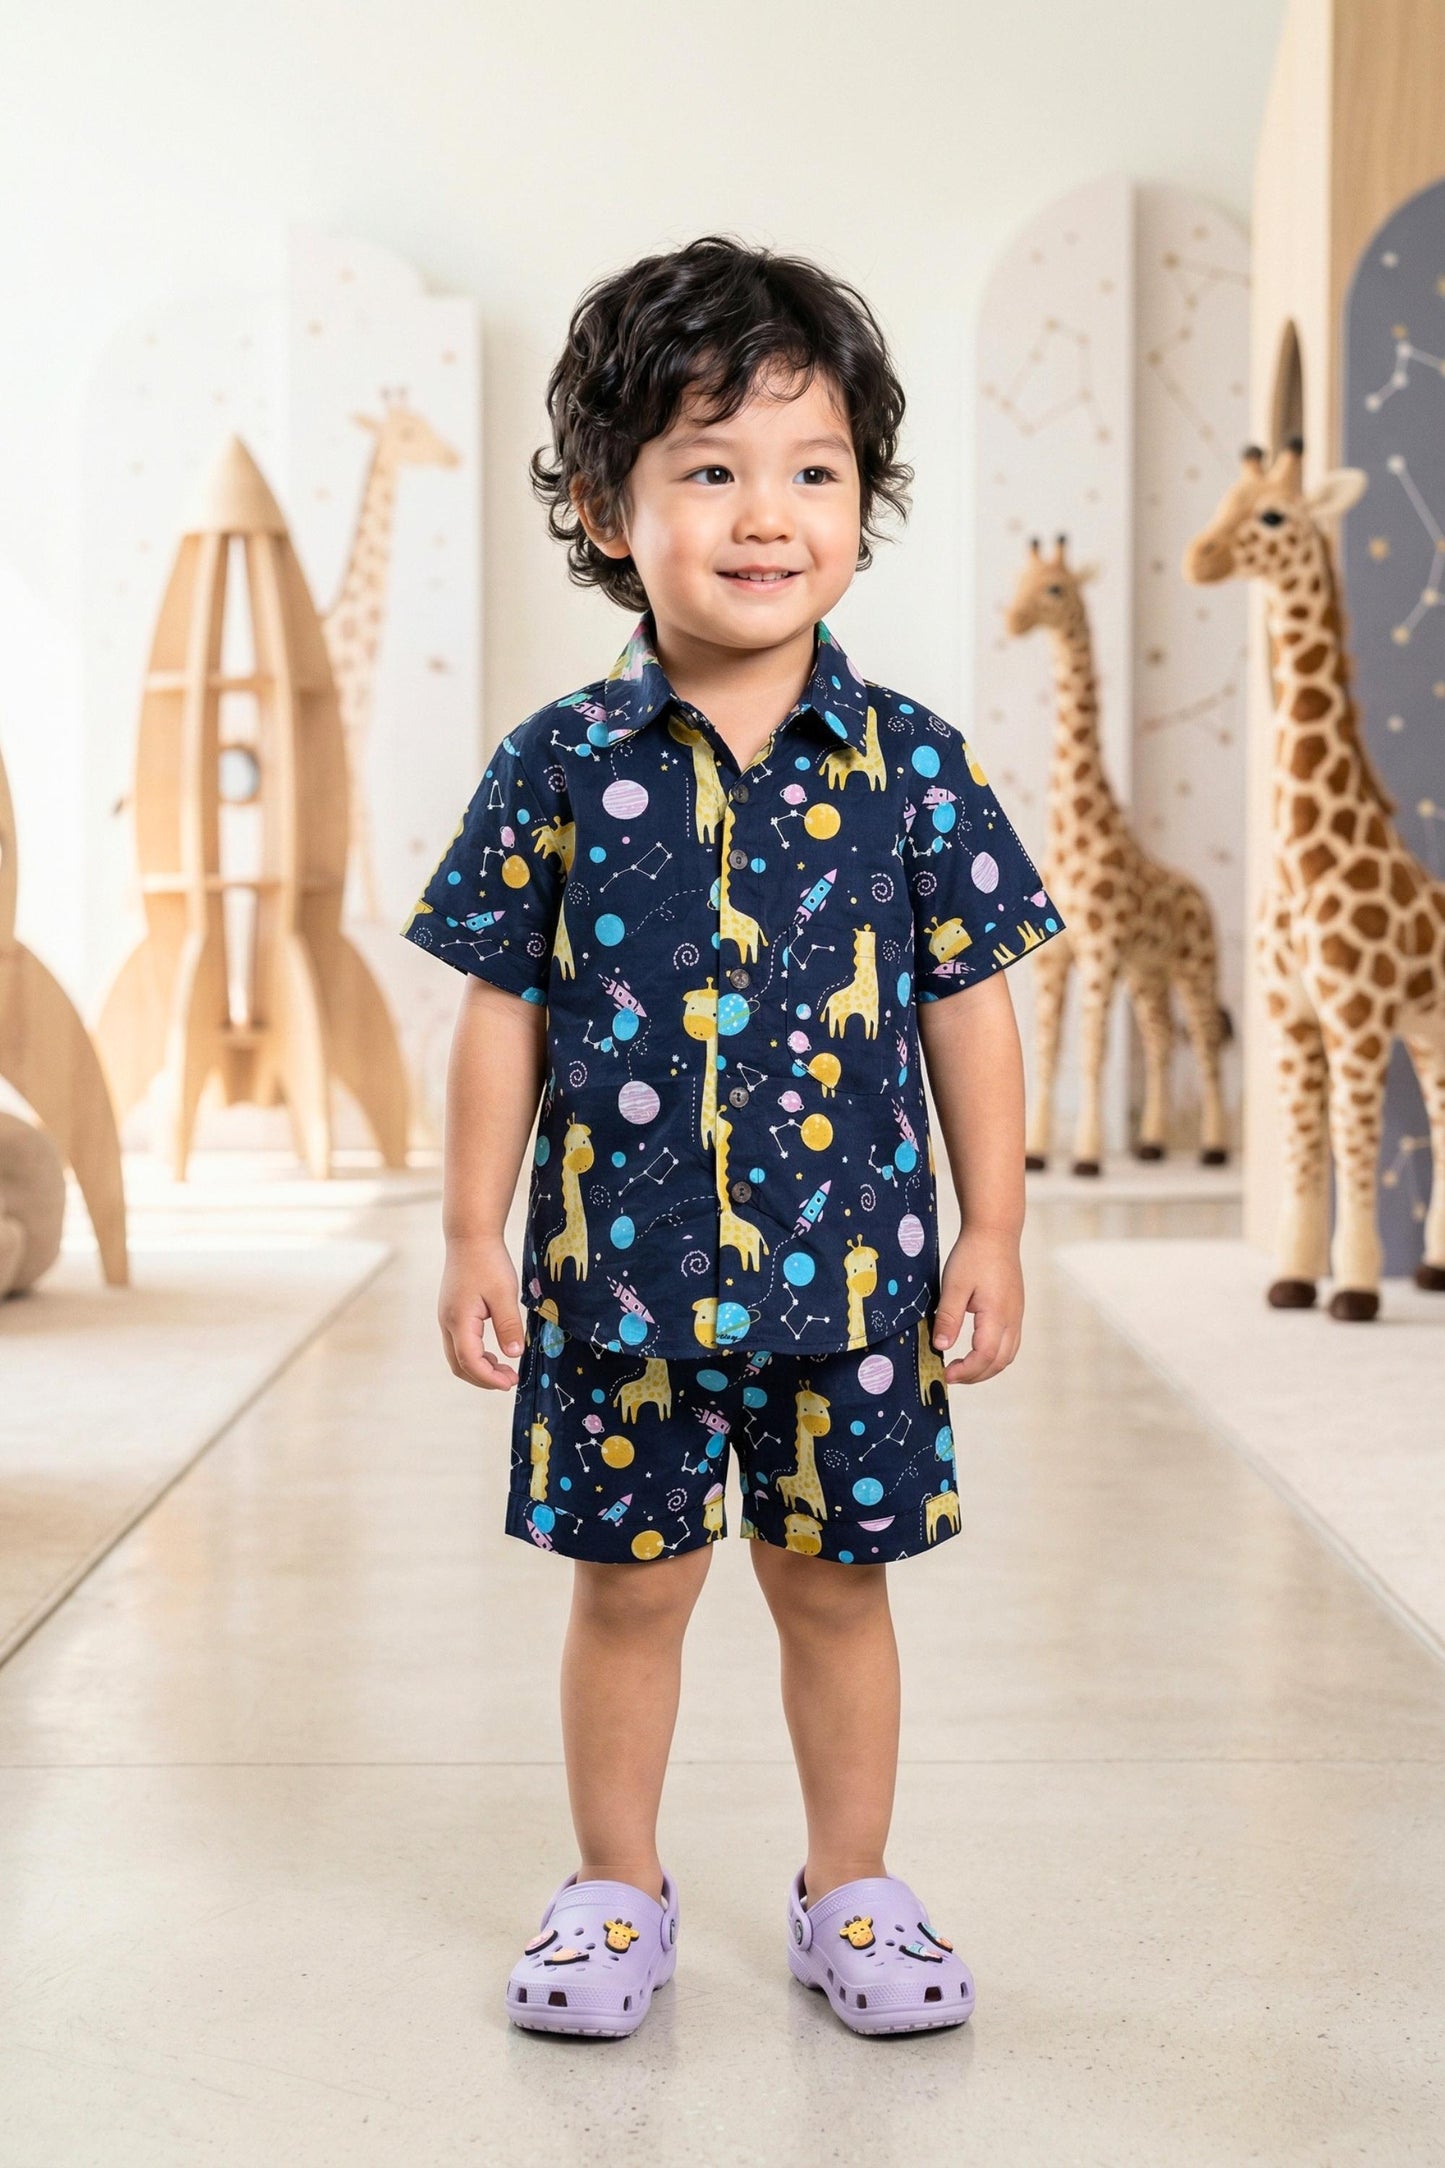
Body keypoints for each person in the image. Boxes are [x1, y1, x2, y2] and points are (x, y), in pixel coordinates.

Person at [401, 234, 1065, 2040]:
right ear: (605, 512)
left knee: (836, 1590)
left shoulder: (912, 764)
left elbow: (967, 1004)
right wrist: (468, 1237)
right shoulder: (556, 764)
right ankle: (615, 1888)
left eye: (812, 471)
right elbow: (499, 1008)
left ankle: (851, 1888)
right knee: (629, 1593)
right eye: (708, 469)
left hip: (853, 1288)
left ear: (861, 502)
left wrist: (992, 1228)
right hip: (614, 1285)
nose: (765, 514)